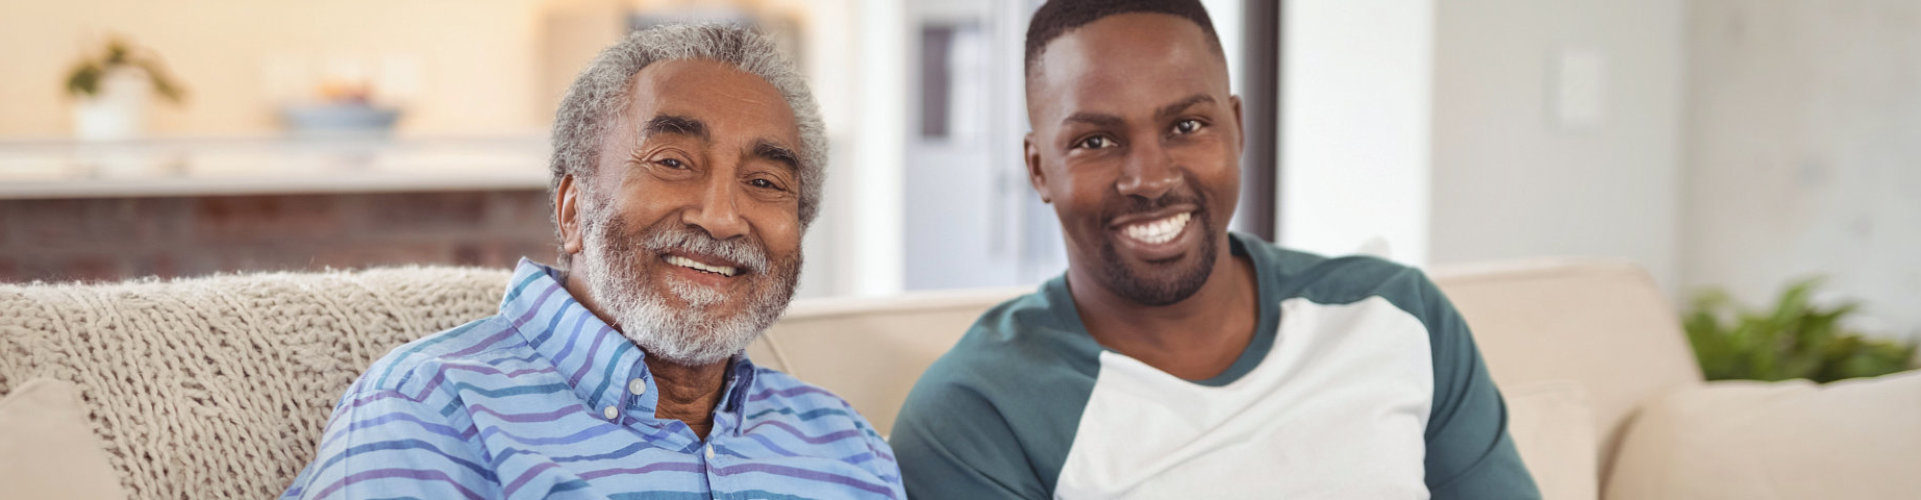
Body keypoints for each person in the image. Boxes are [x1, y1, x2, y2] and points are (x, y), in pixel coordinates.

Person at [890, 1, 1541, 498]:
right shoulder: (975, 412)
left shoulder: (1399, 313)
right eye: (1095, 141)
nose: (1148, 178)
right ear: (1037, 168)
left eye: (1186, 126)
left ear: (1234, 128)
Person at [282, 24, 902, 499]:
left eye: (766, 182)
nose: (720, 217)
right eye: (671, 162)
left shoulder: (848, 446)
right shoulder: (429, 409)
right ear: (573, 210)